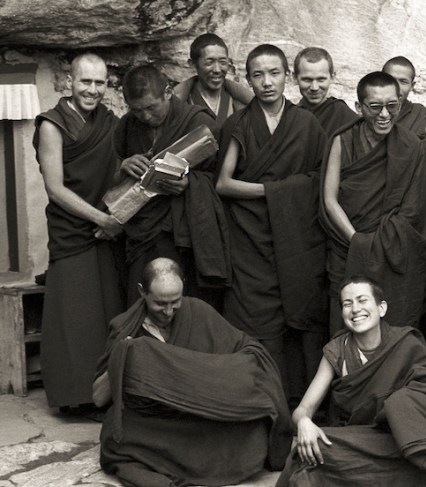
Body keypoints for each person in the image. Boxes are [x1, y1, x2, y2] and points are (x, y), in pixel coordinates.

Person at [93, 258, 291, 487]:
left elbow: (250, 351)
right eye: (160, 303)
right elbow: (99, 398)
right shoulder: (124, 327)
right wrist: (122, 358)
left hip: (199, 415)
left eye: (175, 301)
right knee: (116, 437)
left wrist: (211, 375)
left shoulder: (198, 311)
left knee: (254, 430)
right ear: (142, 292)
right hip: (157, 422)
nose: (168, 311)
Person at [276, 276, 426, 487]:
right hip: (363, 442)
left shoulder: (406, 344)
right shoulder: (337, 351)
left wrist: (402, 404)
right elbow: (304, 408)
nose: (355, 309)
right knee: (309, 453)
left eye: (362, 300)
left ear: (381, 308)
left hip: (406, 439)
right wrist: (304, 422)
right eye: (347, 304)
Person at [216, 44, 328, 401]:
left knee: (299, 314)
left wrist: (279, 194)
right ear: (247, 79)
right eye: (258, 75)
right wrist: (273, 192)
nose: (267, 82)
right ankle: (256, 400)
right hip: (250, 239)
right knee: (253, 317)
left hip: (296, 238)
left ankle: (297, 401)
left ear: (287, 77)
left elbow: (319, 179)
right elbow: (223, 183)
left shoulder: (306, 124)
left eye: (274, 73)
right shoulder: (239, 123)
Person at [33, 53, 125, 411]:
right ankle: (74, 398)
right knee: (75, 318)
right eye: (85, 81)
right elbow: (55, 188)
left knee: (107, 314)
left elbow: (115, 173)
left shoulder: (110, 122)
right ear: (69, 82)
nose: (93, 90)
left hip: (107, 231)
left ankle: (105, 396)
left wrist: (116, 215)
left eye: (100, 83)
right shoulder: (52, 124)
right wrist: (101, 219)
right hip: (73, 232)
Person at [321, 71, 426, 335]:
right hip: (346, 247)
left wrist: (375, 244)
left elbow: (413, 209)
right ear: (359, 107)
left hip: (390, 251)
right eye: (375, 107)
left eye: (392, 106)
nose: (384, 114)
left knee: (391, 323)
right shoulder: (342, 140)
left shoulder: (410, 146)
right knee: (347, 319)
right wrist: (356, 241)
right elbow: (329, 198)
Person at [113, 64, 231, 311]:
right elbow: (110, 172)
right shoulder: (127, 125)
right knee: (142, 301)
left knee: (185, 304)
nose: (145, 116)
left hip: (183, 233)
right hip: (142, 231)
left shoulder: (198, 122)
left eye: (151, 108)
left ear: (167, 92)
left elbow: (222, 177)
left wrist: (190, 183)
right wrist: (124, 164)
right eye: (137, 110)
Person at [173, 33, 254, 125]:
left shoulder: (240, 102)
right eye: (209, 63)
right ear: (193, 64)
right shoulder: (180, 104)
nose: (217, 70)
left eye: (222, 62)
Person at [294, 46, 358, 137]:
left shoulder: (344, 115)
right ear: (295, 78)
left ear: (332, 77)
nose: (314, 88)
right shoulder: (289, 117)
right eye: (307, 80)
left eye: (321, 79)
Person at [382, 56, 426, 135]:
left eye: (403, 82)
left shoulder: (421, 116)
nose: (396, 87)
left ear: (412, 86)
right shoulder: (366, 111)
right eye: (390, 79)